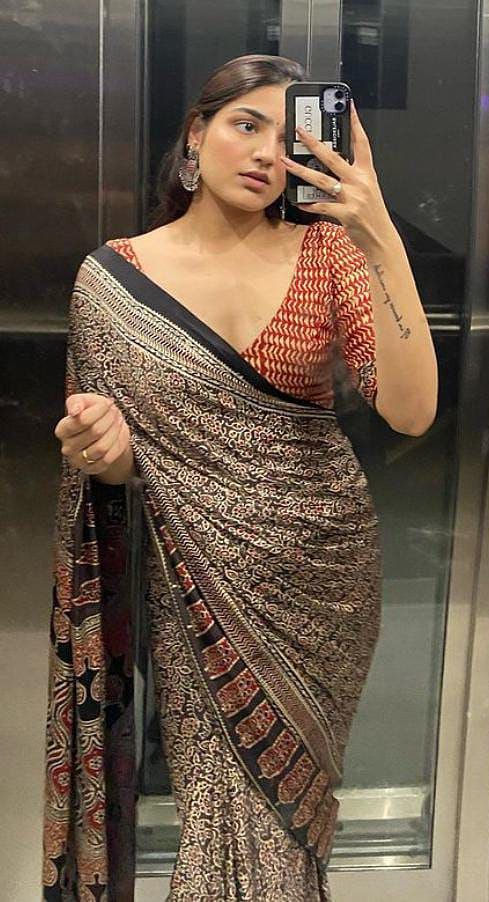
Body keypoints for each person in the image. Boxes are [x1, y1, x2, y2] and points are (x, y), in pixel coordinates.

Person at [42, 53, 437, 901]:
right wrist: (101, 450)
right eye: (244, 124)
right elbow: (121, 464)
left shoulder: (330, 254)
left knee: (291, 822)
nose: (263, 152)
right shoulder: (113, 281)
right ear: (196, 135)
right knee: (224, 818)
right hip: (195, 588)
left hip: (322, 580)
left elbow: (410, 412)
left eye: (286, 137)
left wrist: (377, 232)